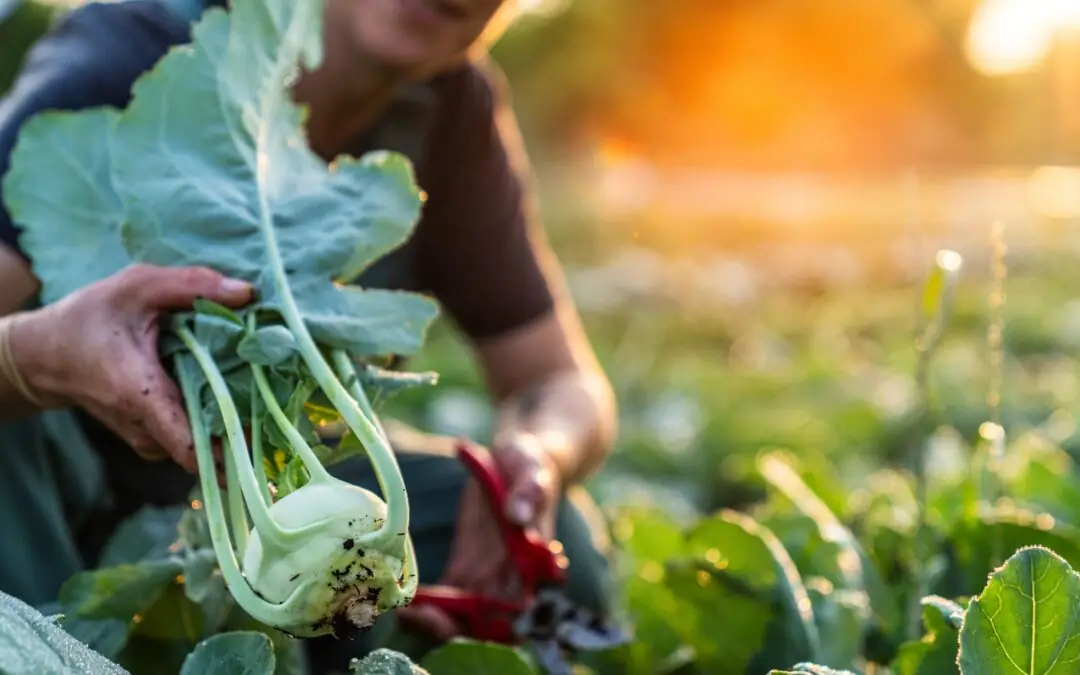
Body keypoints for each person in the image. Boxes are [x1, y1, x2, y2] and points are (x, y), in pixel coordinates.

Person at [0, 0, 619, 670]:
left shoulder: (449, 105)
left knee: (556, 547)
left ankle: (349, 631)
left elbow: (559, 381)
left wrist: (536, 456)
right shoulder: (132, 54)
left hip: (269, 512)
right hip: (62, 499)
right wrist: (31, 363)